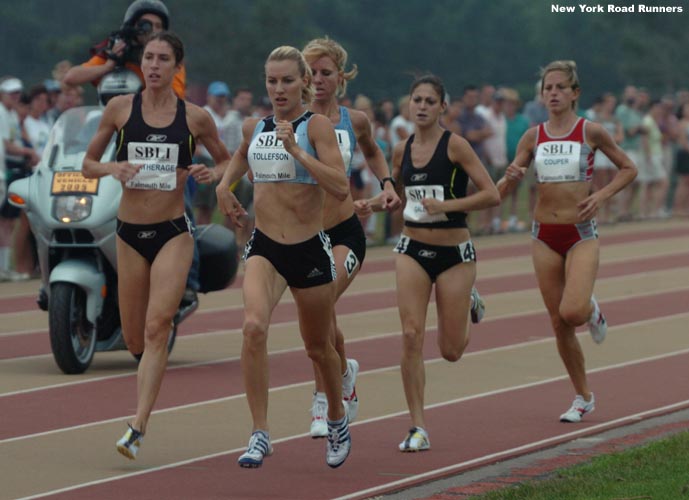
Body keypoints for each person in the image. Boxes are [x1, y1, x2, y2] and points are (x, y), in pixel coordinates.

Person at [82, 32, 227, 459]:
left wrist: (210, 174)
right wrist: (114, 167)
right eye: (148, 57)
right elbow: (89, 165)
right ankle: (142, 397)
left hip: (172, 232)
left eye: (164, 59)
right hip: (130, 232)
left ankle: (138, 425)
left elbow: (225, 160)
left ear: (176, 67)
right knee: (134, 340)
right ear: (141, 64)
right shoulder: (120, 109)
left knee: (157, 327)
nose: (154, 65)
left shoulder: (195, 118)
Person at [215, 46, 352, 469]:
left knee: (319, 348)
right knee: (253, 327)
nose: (278, 89)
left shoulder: (318, 129)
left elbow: (340, 187)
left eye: (287, 81)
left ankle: (336, 417)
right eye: (271, 81)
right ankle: (260, 433)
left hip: (310, 249)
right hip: (265, 247)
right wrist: (224, 187)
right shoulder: (255, 126)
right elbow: (240, 159)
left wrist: (296, 150)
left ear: (303, 83)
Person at [355, 75, 499, 452]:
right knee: (410, 334)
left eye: (429, 101)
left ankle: (469, 300)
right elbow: (400, 196)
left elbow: (491, 194)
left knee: (451, 351)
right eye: (416, 99)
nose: (420, 106)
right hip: (412, 249)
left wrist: (447, 206)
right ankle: (417, 426)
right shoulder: (401, 149)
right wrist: (372, 204)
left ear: (441, 108)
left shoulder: (457, 147)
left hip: (454, 254)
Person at [497, 60, 637, 423]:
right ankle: (582, 396)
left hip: (580, 234)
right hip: (543, 235)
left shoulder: (590, 131)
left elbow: (629, 168)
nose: (554, 93)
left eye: (561, 87)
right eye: (548, 88)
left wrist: (601, 196)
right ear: (542, 95)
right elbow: (502, 189)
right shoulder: (533, 136)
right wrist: (509, 178)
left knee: (572, 312)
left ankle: (591, 309)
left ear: (575, 93)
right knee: (558, 324)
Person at [64, 0, 200, 307]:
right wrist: (110, 62)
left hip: (160, 145)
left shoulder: (164, 59)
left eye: (158, 28)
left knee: (181, 200)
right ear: (132, 25)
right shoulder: (114, 49)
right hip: (115, 139)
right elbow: (71, 78)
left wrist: (146, 62)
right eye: (145, 26)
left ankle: (189, 281)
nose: (151, 33)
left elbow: (172, 97)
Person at [302, 37, 401, 437]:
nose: (319, 80)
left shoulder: (353, 119)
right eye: (312, 73)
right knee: (319, 318)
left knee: (320, 305)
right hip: (306, 235)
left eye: (326, 73)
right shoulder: (295, 121)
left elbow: (373, 151)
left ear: (341, 77)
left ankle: (322, 400)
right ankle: (344, 372)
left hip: (345, 232)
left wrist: (388, 183)